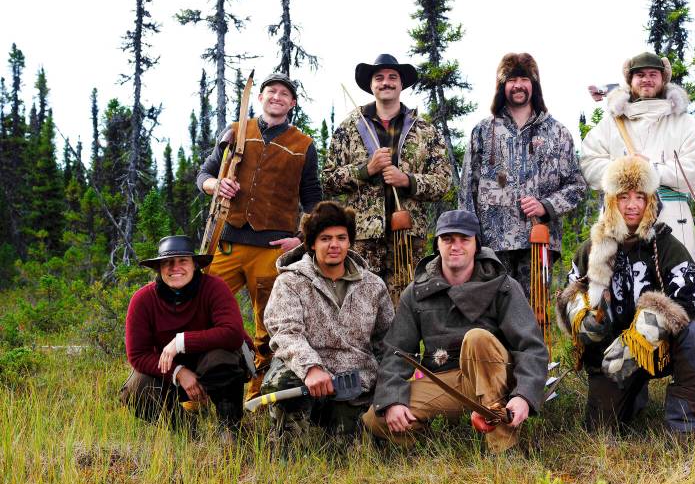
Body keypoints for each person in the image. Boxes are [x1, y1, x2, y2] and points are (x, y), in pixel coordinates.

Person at [363, 210, 549, 453]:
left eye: (464, 239)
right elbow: (396, 352)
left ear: (476, 245)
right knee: (375, 418)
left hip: (499, 379)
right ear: (437, 244)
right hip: (448, 382)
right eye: (448, 239)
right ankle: (443, 445)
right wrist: (392, 400)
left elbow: (531, 348)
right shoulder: (417, 291)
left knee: (476, 338)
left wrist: (523, 396)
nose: (455, 246)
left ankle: (504, 449)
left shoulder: (503, 286)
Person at [556, 156, 695, 435]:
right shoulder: (590, 249)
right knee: (601, 430)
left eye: (640, 196)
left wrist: (645, 330)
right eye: (624, 196)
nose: (632, 205)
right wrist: (582, 318)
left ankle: (682, 426)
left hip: (659, 348)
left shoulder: (666, 245)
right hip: (610, 353)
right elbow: (569, 293)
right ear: (611, 200)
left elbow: (690, 300)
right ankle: (632, 392)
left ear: (650, 202)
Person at [197, 71, 322, 397]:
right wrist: (216, 185)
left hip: (272, 248)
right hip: (225, 243)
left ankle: (258, 396)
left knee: (268, 326)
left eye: (284, 93)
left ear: (292, 103)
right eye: (271, 91)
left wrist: (302, 239)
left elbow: (313, 200)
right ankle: (199, 392)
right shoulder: (237, 132)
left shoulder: (304, 145)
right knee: (201, 311)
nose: (277, 97)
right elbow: (204, 175)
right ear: (260, 97)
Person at [261, 201, 394, 450]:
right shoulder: (291, 282)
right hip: (304, 378)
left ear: (349, 242)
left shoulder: (373, 285)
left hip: (354, 383)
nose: (334, 245)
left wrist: (389, 387)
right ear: (311, 243)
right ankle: (286, 447)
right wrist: (311, 367)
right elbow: (286, 332)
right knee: (286, 383)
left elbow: (387, 342)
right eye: (325, 238)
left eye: (341, 238)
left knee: (353, 453)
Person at [322, 54, 453, 304]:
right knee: (360, 302)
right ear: (371, 85)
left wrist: (407, 180)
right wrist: (365, 170)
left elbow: (443, 182)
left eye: (393, 77)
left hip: (407, 234)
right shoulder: (350, 127)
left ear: (401, 84)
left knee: (404, 302)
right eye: (379, 78)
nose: (386, 83)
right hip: (362, 235)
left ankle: (400, 345)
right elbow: (328, 180)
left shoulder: (424, 130)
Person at [459, 52, 587, 295]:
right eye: (511, 79)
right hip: (492, 245)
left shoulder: (557, 133)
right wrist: (468, 239)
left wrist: (545, 206)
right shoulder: (483, 132)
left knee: (533, 317)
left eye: (524, 79)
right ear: (501, 86)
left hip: (538, 241)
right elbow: (467, 191)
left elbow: (577, 186)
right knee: (493, 314)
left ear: (534, 84)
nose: (518, 85)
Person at [580, 52, 695, 265]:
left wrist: (652, 170)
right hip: (620, 219)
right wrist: (623, 170)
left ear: (663, 79)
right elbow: (590, 162)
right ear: (630, 80)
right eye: (640, 74)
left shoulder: (684, 123)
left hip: (673, 219)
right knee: (615, 284)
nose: (647, 79)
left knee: (676, 284)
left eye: (653, 74)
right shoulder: (611, 123)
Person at [120, 235, 250, 439]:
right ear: (159, 268)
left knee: (220, 359)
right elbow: (137, 355)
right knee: (135, 389)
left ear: (195, 265)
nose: (175, 267)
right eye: (168, 262)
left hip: (215, 367)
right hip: (172, 374)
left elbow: (232, 333)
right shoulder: (143, 299)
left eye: (183, 261)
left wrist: (181, 342)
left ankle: (230, 427)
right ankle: (190, 431)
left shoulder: (214, 287)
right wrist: (179, 372)